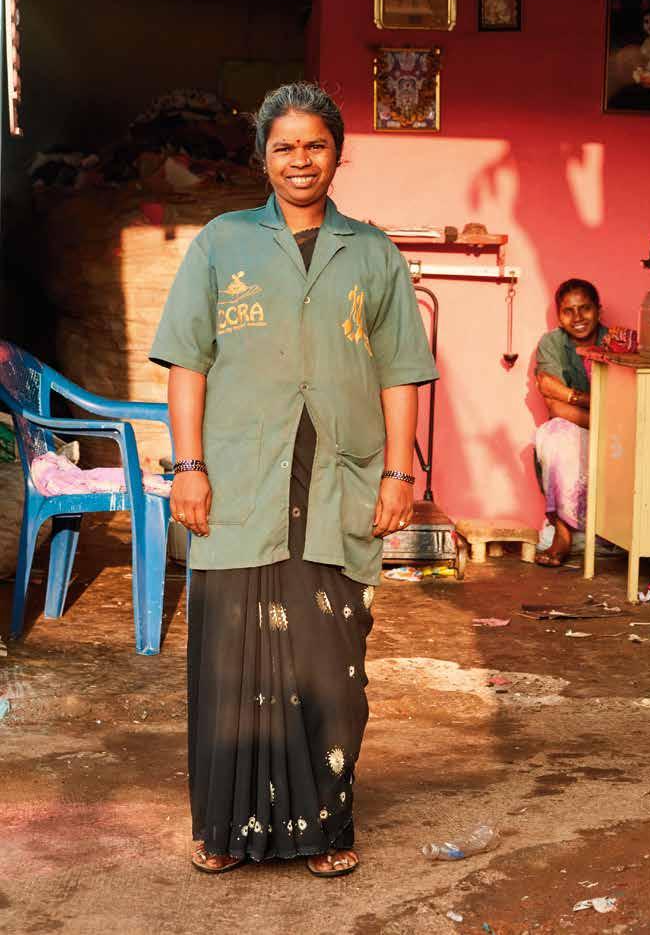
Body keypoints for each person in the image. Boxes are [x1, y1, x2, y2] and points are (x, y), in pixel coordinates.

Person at [149, 82, 438, 877]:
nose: (300, 160)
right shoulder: (221, 242)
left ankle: (327, 827)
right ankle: (223, 831)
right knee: (229, 660)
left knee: (328, 661)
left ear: (338, 153)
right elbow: (187, 362)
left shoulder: (372, 251)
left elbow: (403, 371)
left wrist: (398, 469)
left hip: (338, 478)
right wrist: (190, 464)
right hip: (239, 475)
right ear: (263, 158)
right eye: (284, 146)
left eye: (315, 145)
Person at [533, 279, 607, 567]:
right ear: (559, 315)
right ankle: (562, 534)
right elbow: (553, 406)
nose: (577, 318)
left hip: (616, 430)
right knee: (556, 436)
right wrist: (601, 408)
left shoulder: (616, 341)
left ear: (598, 310)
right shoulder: (552, 343)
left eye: (585, 308)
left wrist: (568, 395)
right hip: (585, 424)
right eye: (569, 311)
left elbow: (555, 390)